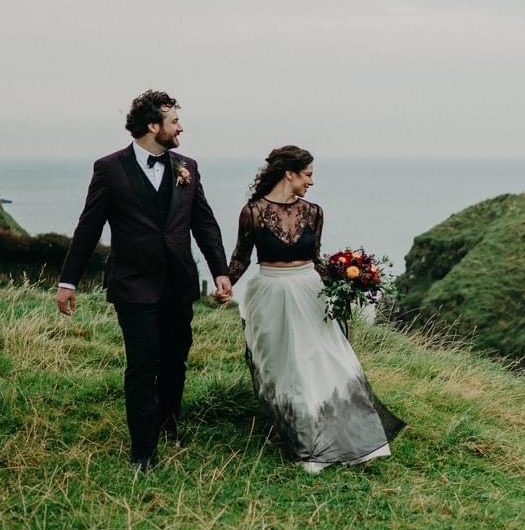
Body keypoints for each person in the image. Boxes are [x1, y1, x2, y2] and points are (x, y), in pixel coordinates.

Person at [55, 89, 233, 470]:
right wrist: (68, 281)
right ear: (153, 126)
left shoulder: (188, 166)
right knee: (141, 364)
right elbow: (89, 226)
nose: (181, 127)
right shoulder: (109, 168)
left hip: (178, 281)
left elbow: (203, 221)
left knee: (175, 359)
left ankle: (168, 424)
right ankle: (143, 451)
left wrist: (220, 270)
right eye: (174, 121)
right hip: (133, 283)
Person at [228, 146, 403, 473]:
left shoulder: (314, 212)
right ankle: (301, 438)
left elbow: (317, 259)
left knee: (326, 363)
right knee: (284, 368)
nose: (311, 181)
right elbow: (241, 257)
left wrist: (348, 280)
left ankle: (346, 440)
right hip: (270, 292)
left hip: (310, 292)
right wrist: (225, 282)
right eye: (308, 174)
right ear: (289, 173)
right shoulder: (251, 211)